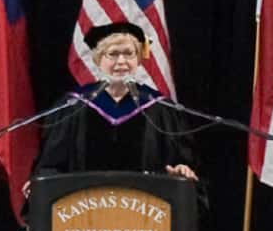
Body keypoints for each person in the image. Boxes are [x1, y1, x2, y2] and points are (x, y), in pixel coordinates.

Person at [28, 22, 199, 194]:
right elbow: (51, 164)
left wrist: (181, 169)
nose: (122, 61)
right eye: (113, 54)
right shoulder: (74, 105)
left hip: (146, 211)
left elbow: (180, 161)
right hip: (82, 210)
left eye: (129, 54)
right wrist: (42, 184)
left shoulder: (159, 107)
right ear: (98, 59)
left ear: (138, 59)